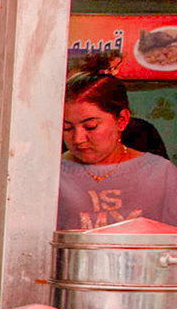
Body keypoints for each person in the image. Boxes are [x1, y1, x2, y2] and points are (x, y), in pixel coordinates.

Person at [60, 66, 177, 231]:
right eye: (67, 128)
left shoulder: (161, 174)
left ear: (122, 120)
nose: (78, 139)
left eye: (91, 126)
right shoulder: (53, 176)